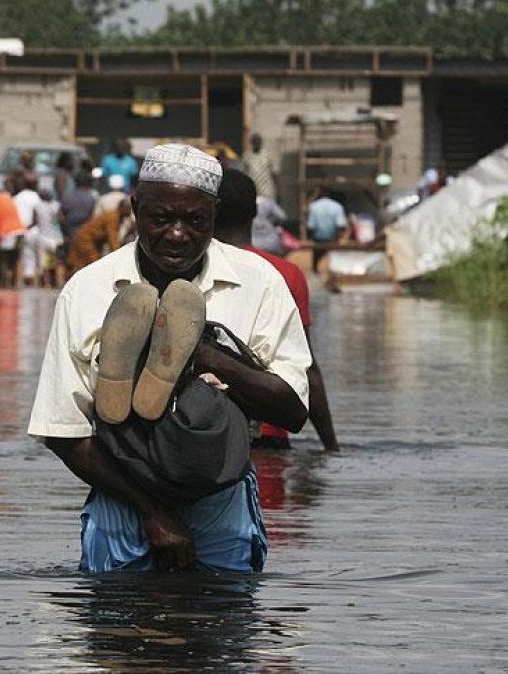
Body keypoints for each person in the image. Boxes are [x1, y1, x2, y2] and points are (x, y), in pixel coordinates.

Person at [28, 143, 311, 573]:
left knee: (167, 628)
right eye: (161, 219)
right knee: (143, 629)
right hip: (126, 493)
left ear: (214, 216)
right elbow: (63, 431)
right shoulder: (88, 289)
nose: (177, 233)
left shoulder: (259, 283)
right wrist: (152, 512)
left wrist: (205, 358)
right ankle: (142, 375)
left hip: (220, 490)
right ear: (135, 208)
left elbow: (292, 411)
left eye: (194, 221)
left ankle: (189, 358)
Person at [214, 169, 339, 452]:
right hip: (269, 433)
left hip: (204, 430)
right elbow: (307, 367)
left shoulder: (191, 268)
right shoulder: (286, 273)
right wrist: (331, 446)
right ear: (256, 211)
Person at [65, 198, 134, 275]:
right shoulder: (113, 217)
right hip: (87, 239)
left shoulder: (118, 217)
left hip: (93, 241)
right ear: (123, 208)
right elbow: (112, 239)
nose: (130, 212)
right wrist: (118, 256)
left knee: (87, 263)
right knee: (93, 263)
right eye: (129, 209)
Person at [306, 186, 348, 269]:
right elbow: (341, 225)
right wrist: (339, 237)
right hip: (333, 239)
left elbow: (311, 226)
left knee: (316, 261)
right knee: (333, 261)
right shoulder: (337, 206)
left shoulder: (314, 206)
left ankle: (316, 271)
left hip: (318, 239)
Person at [240, 133, 276, 200]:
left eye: (258, 142)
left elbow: (273, 174)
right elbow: (243, 174)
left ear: (261, 143)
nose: (257, 144)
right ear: (252, 143)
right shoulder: (247, 156)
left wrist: (278, 191)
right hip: (253, 192)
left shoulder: (267, 155)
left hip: (267, 192)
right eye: (255, 142)